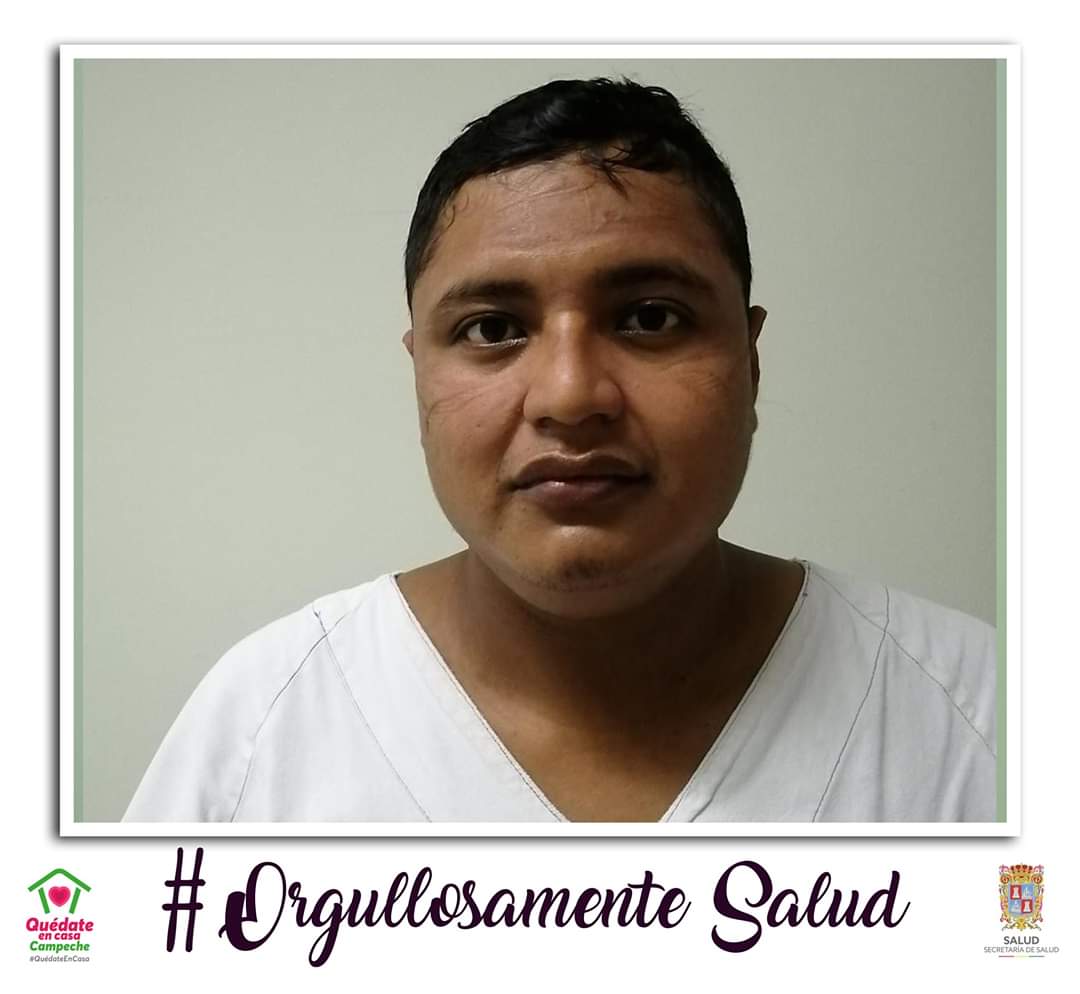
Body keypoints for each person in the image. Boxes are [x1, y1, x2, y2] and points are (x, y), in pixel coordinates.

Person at [124, 78, 996, 824]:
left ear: (751, 363)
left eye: (650, 317)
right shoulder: (261, 731)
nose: (571, 397)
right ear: (419, 373)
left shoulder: (982, 716)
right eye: (492, 329)